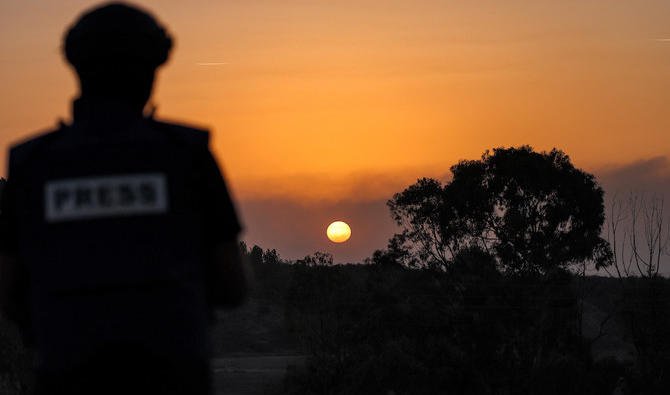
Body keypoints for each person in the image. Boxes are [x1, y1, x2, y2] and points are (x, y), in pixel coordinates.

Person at [0, 2, 249, 394]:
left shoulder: (31, 165)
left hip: (65, 376)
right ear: (152, 70)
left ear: (76, 68)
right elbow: (232, 285)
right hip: (174, 378)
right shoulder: (188, 155)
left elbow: (9, 289)